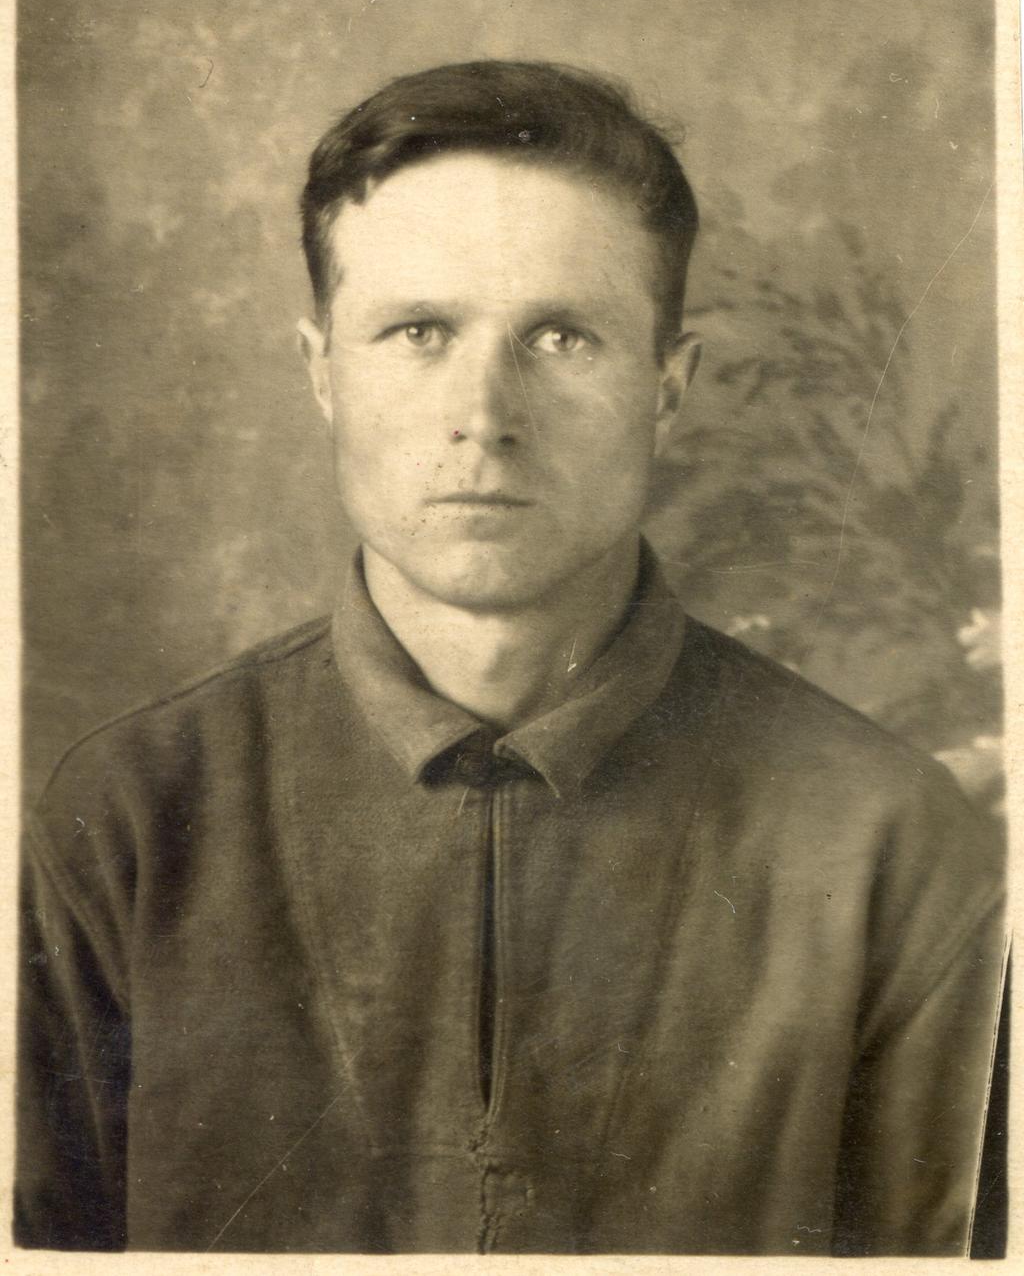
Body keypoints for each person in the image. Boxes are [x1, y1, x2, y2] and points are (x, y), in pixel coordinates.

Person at [16, 60, 1005, 1256]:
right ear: (324, 371)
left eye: (561, 335)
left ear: (668, 385)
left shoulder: (888, 844)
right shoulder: (128, 819)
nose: (483, 414)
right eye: (417, 331)